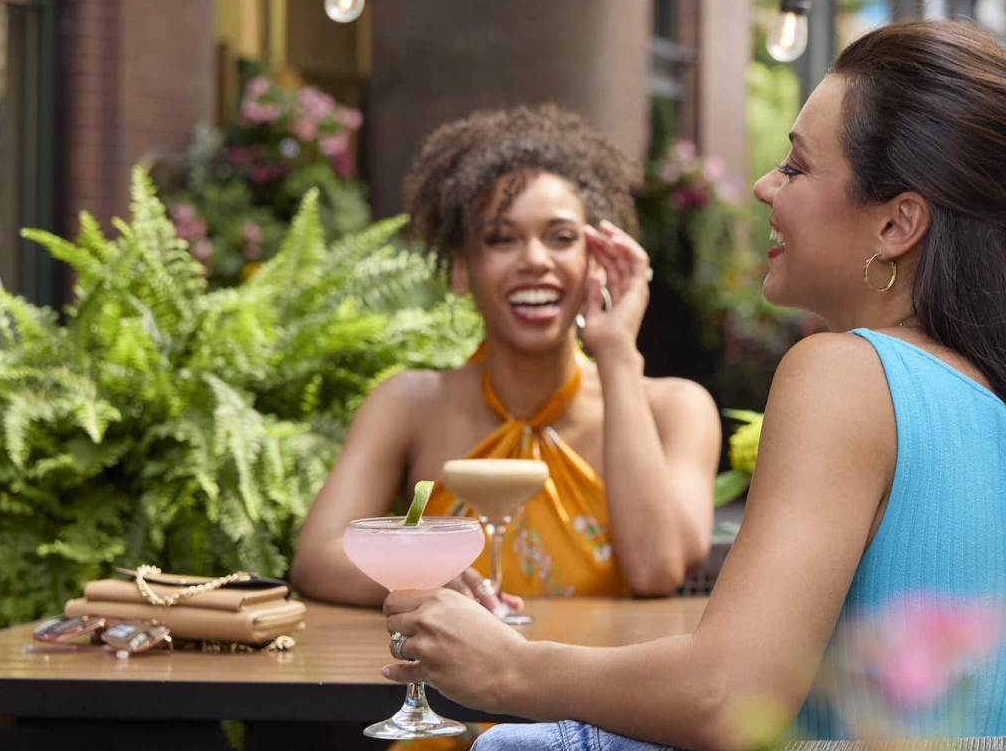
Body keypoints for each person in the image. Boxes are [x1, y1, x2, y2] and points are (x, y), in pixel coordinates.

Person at [381, 20, 1006, 750]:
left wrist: (506, 667)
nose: (764, 185)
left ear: (898, 224)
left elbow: (727, 694)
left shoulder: (850, 376)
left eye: (795, 165)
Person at [290, 104, 722, 609]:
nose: (535, 260)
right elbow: (317, 559)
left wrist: (617, 354)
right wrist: (420, 581)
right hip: (446, 683)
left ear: (595, 263)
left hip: (600, 685)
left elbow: (656, 570)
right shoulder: (410, 405)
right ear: (460, 271)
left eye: (561, 238)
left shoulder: (674, 409)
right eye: (501, 239)